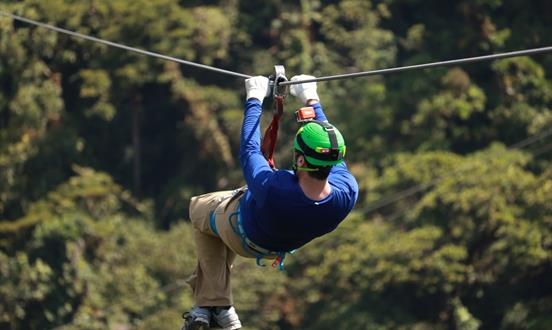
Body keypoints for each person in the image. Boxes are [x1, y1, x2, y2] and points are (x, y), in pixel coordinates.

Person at [181, 75, 358, 330]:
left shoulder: (274, 189)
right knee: (220, 222)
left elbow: (250, 150)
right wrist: (310, 98)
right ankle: (213, 309)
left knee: (199, 207)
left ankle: (216, 303)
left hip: (240, 231)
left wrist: (254, 98)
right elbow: (329, 147)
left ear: (298, 160)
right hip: (274, 246)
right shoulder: (346, 193)